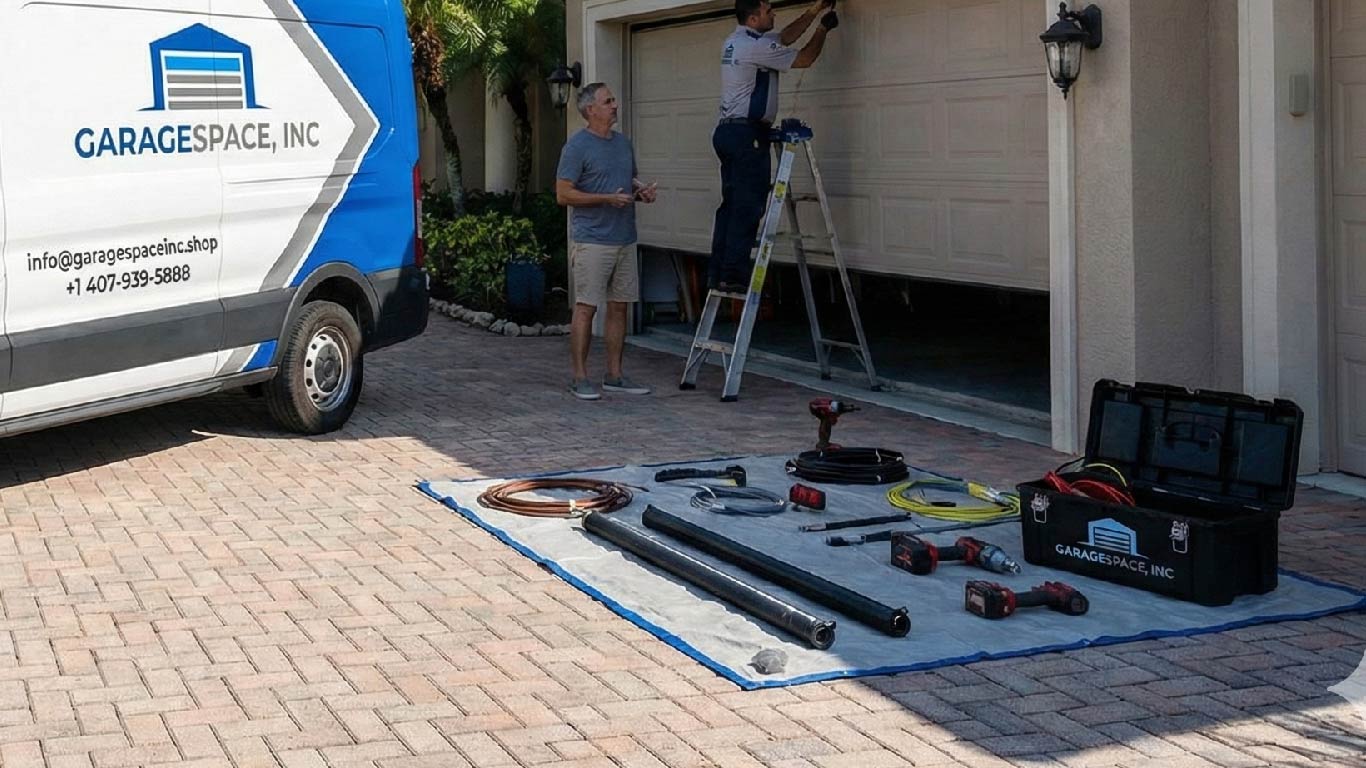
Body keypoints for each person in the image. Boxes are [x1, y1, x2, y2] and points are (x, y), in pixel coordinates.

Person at [710, 0, 838, 291]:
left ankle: (718, 271)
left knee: (730, 207)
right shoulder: (753, 47)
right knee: (748, 206)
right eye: (769, 11)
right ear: (754, 18)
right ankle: (733, 275)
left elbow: (784, 37)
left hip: (728, 133)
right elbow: (804, 58)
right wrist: (822, 28)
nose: (775, 14)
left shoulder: (738, 40)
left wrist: (814, 10)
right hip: (747, 136)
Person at [555, 83, 660, 401]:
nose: (615, 105)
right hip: (592, 241)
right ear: (591, 110)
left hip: (625, 238)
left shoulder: (623, 144)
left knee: (619, 308)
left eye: (614, 99)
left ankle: (615, 375)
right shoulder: (576, 147)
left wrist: (642, 193)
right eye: (608, 101)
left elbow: (626, 183)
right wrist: (604, 198)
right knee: (586, 308)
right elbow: (563, 194)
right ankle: (579, 377)